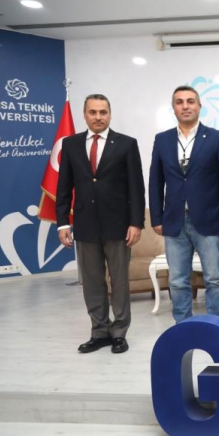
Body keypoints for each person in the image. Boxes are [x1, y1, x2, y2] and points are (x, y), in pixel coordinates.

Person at [56, 94, 145, 354]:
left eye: (103, 112)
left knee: (119, 282)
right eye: (93, 112)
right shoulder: (70, 144)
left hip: (118, 226)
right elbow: (64, 186)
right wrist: (62, 223)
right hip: (85, 226)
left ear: (110, 114)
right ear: (85, 115)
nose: (98, 117)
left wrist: (136, 223)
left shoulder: (127, 144)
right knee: (92, 282)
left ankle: (119, 333)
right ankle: (99, 332)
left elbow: (136, 187)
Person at [149, 85, 219, 323]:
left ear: (199, 106)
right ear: (173, 108)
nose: (185, 106)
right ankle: (183, 328)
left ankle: (217, 327)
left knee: (215, 279)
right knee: (177, 281)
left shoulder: (216, 138)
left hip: (209, 219)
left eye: (190, 101)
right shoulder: (162, 140)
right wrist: (156, 218)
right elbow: (155, 181)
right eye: (180, 102)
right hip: (174, 221)